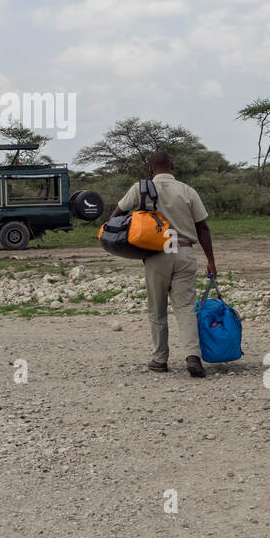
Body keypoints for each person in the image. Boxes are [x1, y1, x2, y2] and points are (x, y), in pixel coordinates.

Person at [108, 151, 217, 378]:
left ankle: (160, 359)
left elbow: (116, 216)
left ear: (150, 170)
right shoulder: (188, 191)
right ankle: (193, 356)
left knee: (157, 310)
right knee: (186, 308)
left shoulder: (140, 188)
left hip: (157, 254)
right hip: (185, 252)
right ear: (173, 167)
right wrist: (211, 261)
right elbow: (203, 228)